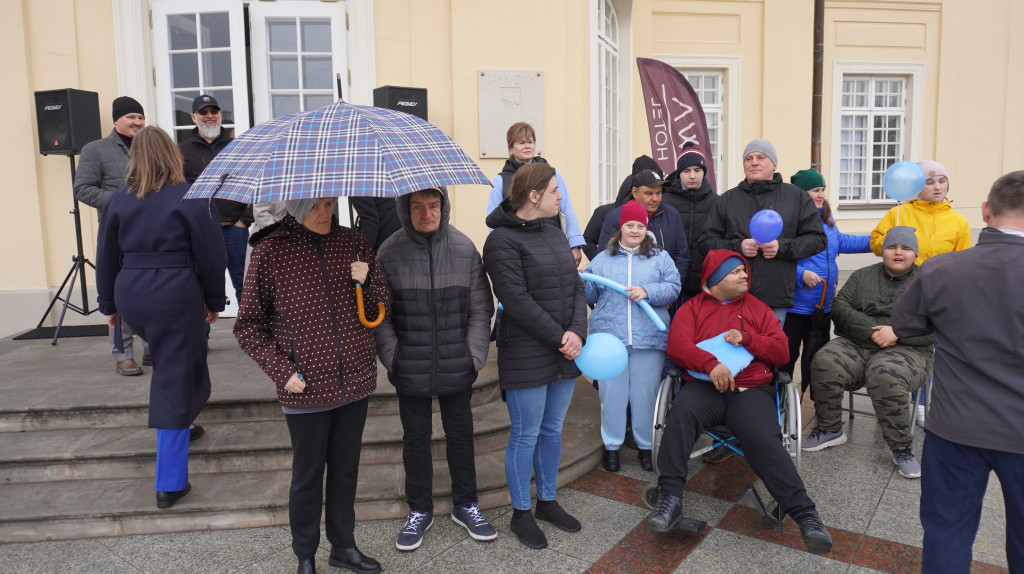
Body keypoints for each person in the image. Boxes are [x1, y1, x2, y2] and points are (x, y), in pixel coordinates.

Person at [234, 197, 388, 574]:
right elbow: (248, 325)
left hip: (354, 379)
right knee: (307, 476)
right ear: (297, 207)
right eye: (316, 205)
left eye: (329, 203)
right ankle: (305, 554)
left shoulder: (353, 242)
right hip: (304, 386)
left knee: (345, 470)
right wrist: (281, 371)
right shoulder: (270, 251)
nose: (326, 213)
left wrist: (365, 280)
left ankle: (344, 547)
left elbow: (382, 302)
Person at [646, 250, 833, 555]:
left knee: (764, 438)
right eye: (736, 272)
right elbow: (678, 346)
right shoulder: (691, 309)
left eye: (744, 272)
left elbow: (781, 353)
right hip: (704, 388)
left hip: (750, 392)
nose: (745, 276)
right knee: (680, 415)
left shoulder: (759, 310)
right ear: (715, 278)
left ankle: (806, 515)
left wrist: (747, 338)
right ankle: (670, 498)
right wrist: (710, 364)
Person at [892, 171, 1024, 572]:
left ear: (985, 211)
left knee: (947, 534)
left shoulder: (942, 269)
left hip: (956, 426)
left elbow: (905, 324)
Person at [94, 126, 226, 509]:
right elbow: (211, 253)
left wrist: (110, 307)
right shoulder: (192, 195)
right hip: (175, 291)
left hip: (132, 290)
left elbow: (105, 255)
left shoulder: (119, 199)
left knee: (184, 361)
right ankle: (169, 483)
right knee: (172, 376)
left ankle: (184, 420)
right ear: (173, 155)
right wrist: (214, 300)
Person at [374, 188, 497, 551]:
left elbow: (480, 309)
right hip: (408, 365)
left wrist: (474, 356)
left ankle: (467, 504)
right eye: (416, 206)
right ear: (404, 209)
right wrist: (393, 357)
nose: (426, 213)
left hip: (457, 363)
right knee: (415, 440)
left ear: (443, 208)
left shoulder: (463, 248)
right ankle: (419, 510)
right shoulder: (388, 251)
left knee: (461, 436)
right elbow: (381, 317)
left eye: (433, 205)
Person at [483, 162, 588, 550]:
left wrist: (578, 331)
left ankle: (547, 501)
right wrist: (561, 336)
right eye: (555, 191)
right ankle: (521, 512)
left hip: (564, 348)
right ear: (534, 196)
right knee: (525, 434)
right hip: (527, 351)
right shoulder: (500, 241)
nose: (561, 197)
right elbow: (516, 300)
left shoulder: (554, 230)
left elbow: (577, 285)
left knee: (552, 430)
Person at [802, 227, 933, 479]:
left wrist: (897, 332)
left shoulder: (929, 283)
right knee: (824, 360)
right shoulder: (862, 276)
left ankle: (901, 446)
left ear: (914, 253)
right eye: (892, 247)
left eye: (905, 248)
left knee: (886, 374)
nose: (898, 252)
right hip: (859, 341)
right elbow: (840, 307)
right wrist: (873, 331)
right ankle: (830, 429)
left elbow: (940, 323)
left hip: (909, 349)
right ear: (882, 251)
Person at [584, 200, 681, 472]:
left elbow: (673, 287)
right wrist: (580, 281)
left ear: (646, 227)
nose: (635, 230)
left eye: (640, 225)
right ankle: (611, 446)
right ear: (621, 227)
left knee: (645, 395)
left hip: (648, 339)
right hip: (609, 342)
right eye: (630, 225)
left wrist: (647, 291)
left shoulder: (660, 257)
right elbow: (591, 295)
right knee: (611, 396)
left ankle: (646, 446)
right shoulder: (602, 260)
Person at [698, 139, 826, 325]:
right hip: (732, 296)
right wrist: (738, 246)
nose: (754, 162)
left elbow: (817, 239)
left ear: (773, 164)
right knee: (734, 349)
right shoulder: (727, 200)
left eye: (761, 157)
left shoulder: (796, 197)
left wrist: (781, 247)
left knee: (768, 351)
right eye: (749, 158)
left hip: (775, 297)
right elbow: (705, 243)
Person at [74, 96, 150, 376]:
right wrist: (124, 200)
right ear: (116, 120)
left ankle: (152, 346)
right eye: (131, 117)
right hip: (116, 235)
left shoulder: (149, 146)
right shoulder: (95, 150)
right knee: (118, 294)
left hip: (152, 233)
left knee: (150, 292)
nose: (137, 123)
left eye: (141, 118)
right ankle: (123, 355)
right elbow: (82, 189)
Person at [783, 169, 871, 394]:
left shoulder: (827, 221)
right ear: (801, 194)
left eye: (822, 189)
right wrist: (801, 275)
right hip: (796, 305)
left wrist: (878, 240)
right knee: (788, 355)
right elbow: (780, 259)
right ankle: (779, 400)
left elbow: (843, 242)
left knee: (820, 357)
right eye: (815, 190)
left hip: (823, 305)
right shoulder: (790, 222)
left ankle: (819, 403)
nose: (820, 194)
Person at [178, 94, 252, 306]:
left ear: (219, 115)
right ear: (194, 117)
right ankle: (202, 336)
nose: (209, 116)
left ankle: (249, 335)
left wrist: (244, 220)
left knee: (243, 283)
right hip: (200, 230)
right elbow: (178, 189)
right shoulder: (181, 151)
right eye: (203, 112)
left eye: (214, 112)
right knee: (201, 281)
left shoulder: (239, 147)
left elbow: (252, 183)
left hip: (234, 229)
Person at [486, 122, 586, 265]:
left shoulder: (552, 174)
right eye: (521, 142)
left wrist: (574, 244)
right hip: (519, 249)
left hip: (553, 243)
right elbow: (494, 219)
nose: (527, 146)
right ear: (510, 148)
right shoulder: (500, 180)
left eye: (530, 142)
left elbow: (566, 209)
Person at [597, 169, 690, 290]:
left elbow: (682, 256)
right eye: (649, 193)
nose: (655, 199)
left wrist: (669, 292)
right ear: (635, 192)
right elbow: (604, 256)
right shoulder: (615, 217)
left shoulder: (672, 215)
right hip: (624, 295)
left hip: (663, 297)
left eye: (659, 193)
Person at [870, 159, 971, 265]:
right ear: (916, 186)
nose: (937, 187)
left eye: (942, 181)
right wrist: (892, 240)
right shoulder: (898, 213)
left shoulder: (959, 221)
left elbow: (963, 262)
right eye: (929, 183)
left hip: (940, 280)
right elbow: (875, 245)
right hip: (903, 280)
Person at [661, 142, 717, 300]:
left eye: (697, 170)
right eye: (686, 171)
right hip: (669, 284)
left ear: (704, 172)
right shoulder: (664, 201)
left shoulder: (716, 202)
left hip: (706, 286)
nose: (692, 176)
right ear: (679, 173)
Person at [582, 155, 660, 262]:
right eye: (648, 192)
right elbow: (588, 240)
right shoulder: (605, 213)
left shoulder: (660, 213)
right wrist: (599, 261)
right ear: (633, 192)